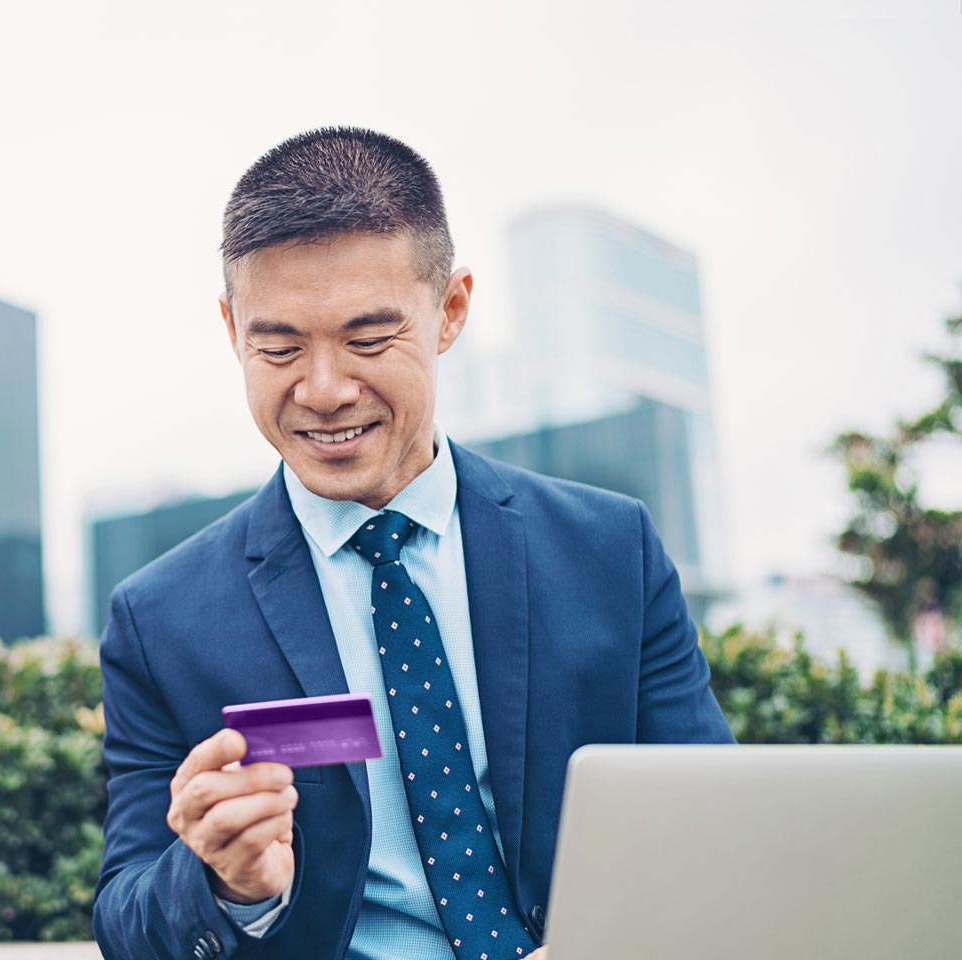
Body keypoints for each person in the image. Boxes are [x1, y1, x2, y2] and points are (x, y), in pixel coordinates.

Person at [90, 127, 735, 960]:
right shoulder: (161, 620)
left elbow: (709, 827)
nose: (323, 391)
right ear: (231, 329)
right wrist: (220, 884)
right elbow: (125, 918)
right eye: (278, 346)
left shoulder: (612, 552)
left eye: (368, 339)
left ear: (451, 310)